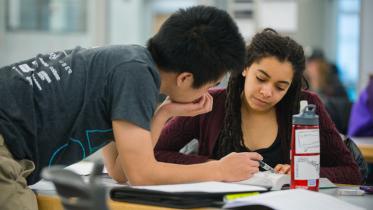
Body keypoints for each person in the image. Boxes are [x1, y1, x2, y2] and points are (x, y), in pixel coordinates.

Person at [0, 6, 262, 210]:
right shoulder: (135, 74)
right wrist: (219, 169)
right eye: (209, 85)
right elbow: (141, 174)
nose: (208, 93)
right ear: (185, 78)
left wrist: (165, 113)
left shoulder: (130, 62)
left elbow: (120, 170)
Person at [155, 29, 362, 185]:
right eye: (261, 78)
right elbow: (155, 153)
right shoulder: (210, 103)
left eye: (281, 87)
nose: (267, 92)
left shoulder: (306, 105)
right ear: (245, 68)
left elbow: (351, 172)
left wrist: (302, 172)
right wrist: (214, 167)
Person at [304, 49, 351, 134]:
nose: (309, 67)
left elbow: (344, 110)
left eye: (313, 63)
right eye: (308, 63)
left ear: (322, 64)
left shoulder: (335, 84)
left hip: (332, 128)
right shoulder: (303, 83)